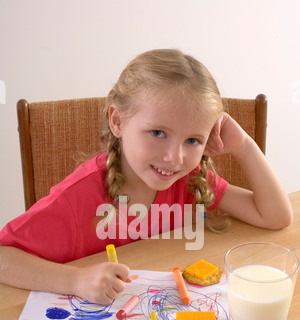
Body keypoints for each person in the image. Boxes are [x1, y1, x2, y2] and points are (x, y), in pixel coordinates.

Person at [0, 49, 293, 305]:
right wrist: (75, 280)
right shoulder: (78, 197)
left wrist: (244, 146)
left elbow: (276, 217)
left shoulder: (191, 181)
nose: (174, 158)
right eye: (157, 133)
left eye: (192, 140)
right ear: (117, 121)